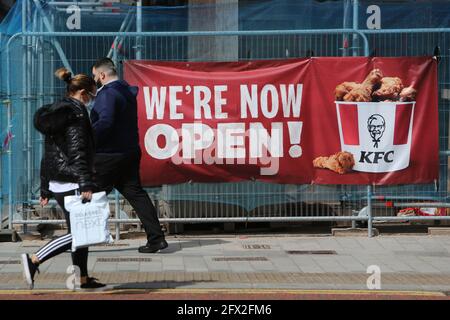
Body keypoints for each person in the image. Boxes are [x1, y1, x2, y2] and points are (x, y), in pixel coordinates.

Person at [21, 68, 105, 290]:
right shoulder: (76, 114)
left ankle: (82, 278)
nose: (92, 101)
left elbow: (51, 152)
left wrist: (45, 187)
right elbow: (78, 151)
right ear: (83, 93)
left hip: (60, 181)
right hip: (73, 180)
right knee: (78, 232)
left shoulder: (58, 111)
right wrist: (86, 182)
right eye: (93, 95)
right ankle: (34, 260)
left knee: (81, 230)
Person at [91, 57, 167, 253]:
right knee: (137, 195)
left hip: (109, 154)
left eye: (95, 76)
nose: (95, 80)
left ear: (102, 74)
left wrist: (89, 139)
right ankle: (156, 238)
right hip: (130, 151)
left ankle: (77, 238)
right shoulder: (126, 90)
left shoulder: (108, 94)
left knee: (89, 193)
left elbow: (106, 122)